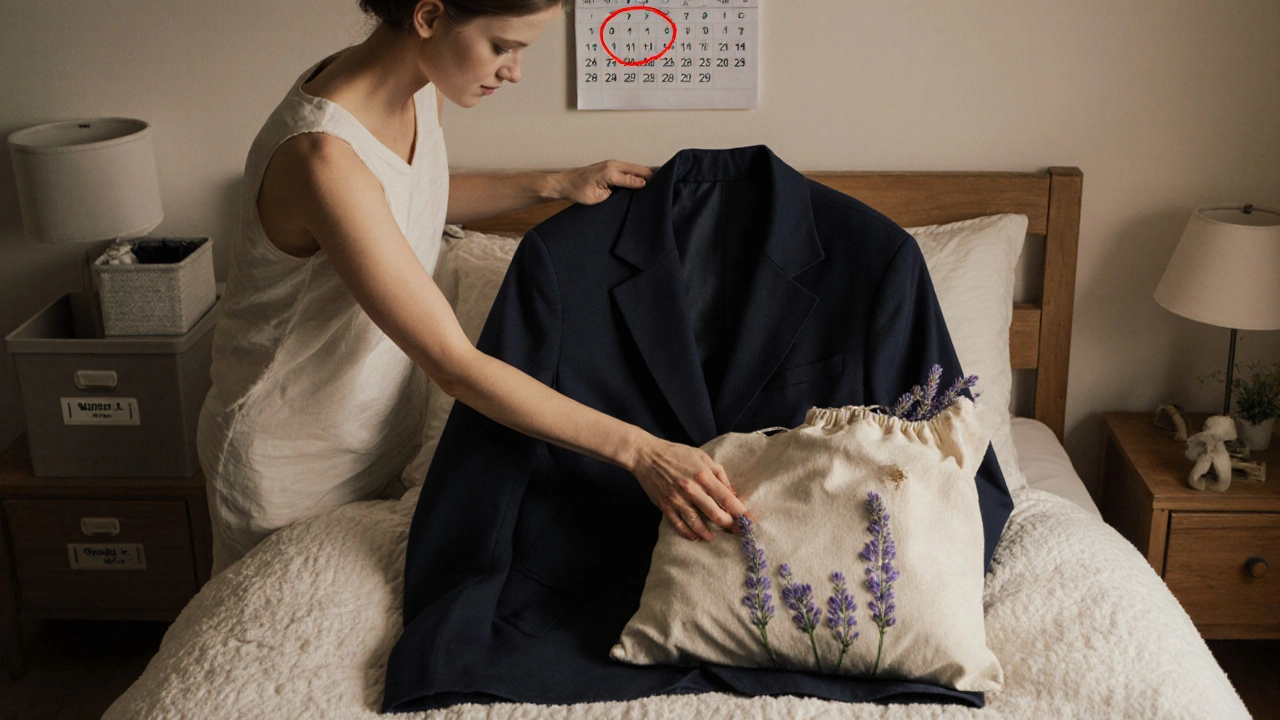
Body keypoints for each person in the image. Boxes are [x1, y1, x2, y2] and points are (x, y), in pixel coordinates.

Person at [197, 0, 748, 574]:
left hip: (377, 430)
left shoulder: (415, 88)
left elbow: (405, 197)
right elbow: (452, 363)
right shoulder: (321, 157)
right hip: (291, 460)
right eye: (502, 47)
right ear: (430, 18)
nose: (512, 72)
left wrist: (554, 183)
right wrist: (643, 452)